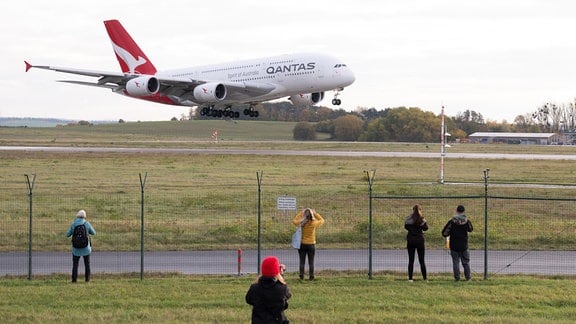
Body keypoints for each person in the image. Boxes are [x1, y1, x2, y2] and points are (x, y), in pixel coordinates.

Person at [246, 256, 292, 324]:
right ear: (277, 272)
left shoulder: (254, 288)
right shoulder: (282, 289)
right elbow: (288, 295)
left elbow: (248, 300)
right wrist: (281, 276)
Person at [442, 205, 473, 281]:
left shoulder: (452, 221)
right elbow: (470, 229)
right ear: (463, 211)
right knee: (465, 262)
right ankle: (468, 278)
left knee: (456, 262)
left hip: (454, 245)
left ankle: (457, 278)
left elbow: (444, 233)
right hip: (464, 245)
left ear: (457, 211)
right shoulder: (467, 221)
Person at [292, 208, 325, 280]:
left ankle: (301, 276)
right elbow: (322, 220)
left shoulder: (301, 223)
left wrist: (301, 213)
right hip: (311, 244)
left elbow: (294, 221)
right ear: (312, 215)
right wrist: (315, 213)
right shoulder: (314, 223)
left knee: (302, 261)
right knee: (311, 261)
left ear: (304, 215)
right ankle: (311, 276)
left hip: (302, 244)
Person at [65, 209, 96, 283]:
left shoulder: (74, 224)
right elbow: (93, 233)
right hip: (86, 248)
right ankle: (87, 280)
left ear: (77, 216)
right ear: (85, 216)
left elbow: (67, 234)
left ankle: (74, 280)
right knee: (87, 264)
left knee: (75, 264)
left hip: (76, 248)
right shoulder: (87, 223)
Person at [404, 204, 428, 282]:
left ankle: (410, 278)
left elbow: (406, 227)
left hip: (411, 241)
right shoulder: (422, 219)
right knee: (422, 261)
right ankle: (424, 278)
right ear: (420, 210)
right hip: (420, 241)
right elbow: (426, 228)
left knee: (411, 260)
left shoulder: (408, 219)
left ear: (413, 210)